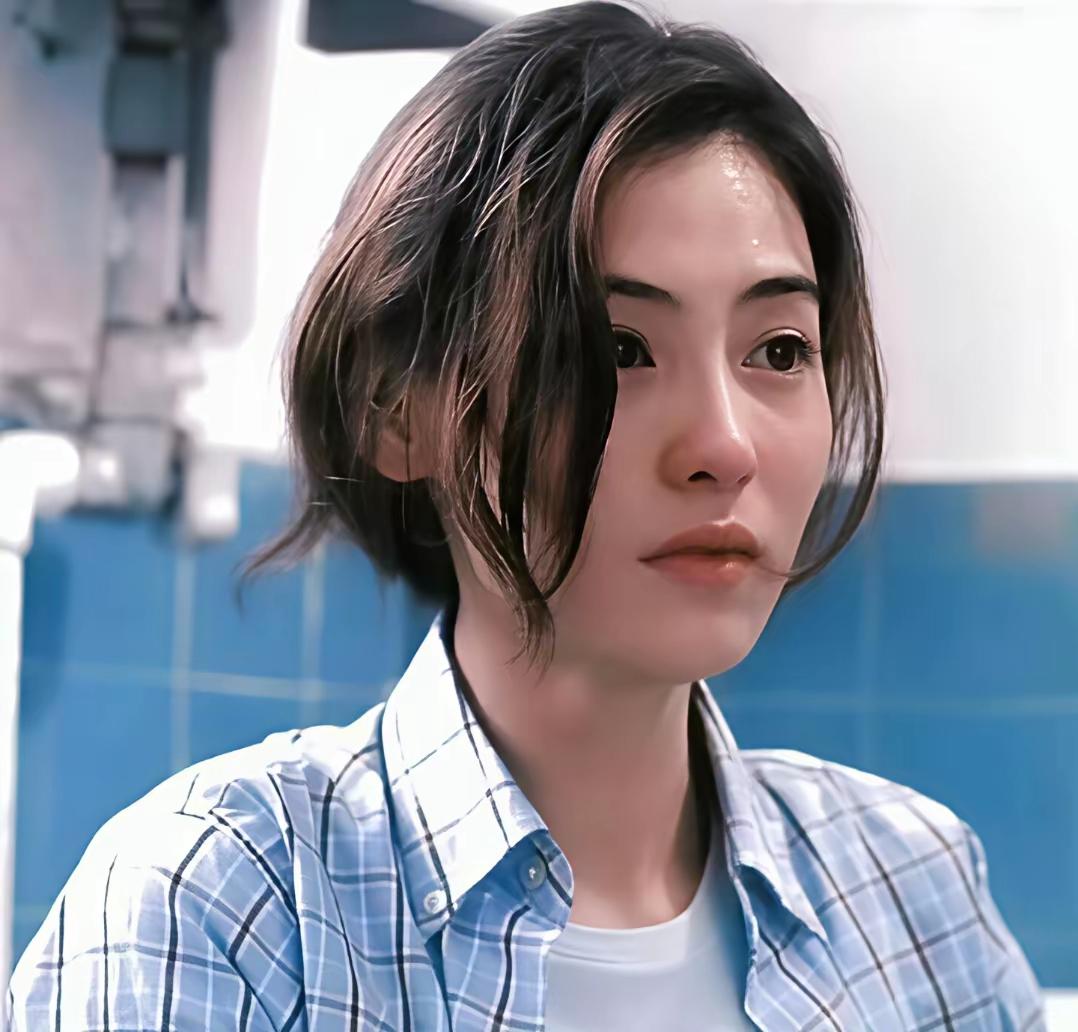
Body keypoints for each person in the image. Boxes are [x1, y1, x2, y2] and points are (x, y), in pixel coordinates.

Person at [7, 2, 1045, 1029]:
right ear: (394, 410)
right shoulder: (220, 912)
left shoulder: (914, 896)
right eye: (618, 350)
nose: (725, 446)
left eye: (779, 350)